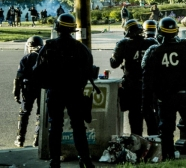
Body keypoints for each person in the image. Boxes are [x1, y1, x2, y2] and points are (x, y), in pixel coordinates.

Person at [32, 13, 95, 168]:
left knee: (55, 127)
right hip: (74, 92)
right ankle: (85, 159)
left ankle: (55, 161)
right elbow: (90, 70)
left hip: (55, 91)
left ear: (58, 28)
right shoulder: (81, 48)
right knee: (78, 126)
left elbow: (37, 70)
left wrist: (47, 84)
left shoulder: (49, 46)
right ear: (73, 29)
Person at [141, 17, 186, 159]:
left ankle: (169, 155)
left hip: (165, 97)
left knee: (166, 129)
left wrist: (146, 102)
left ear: (160, 32)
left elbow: (147, 81)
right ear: (176, 31)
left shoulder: (154, 51)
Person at [110, 19, 159, 137]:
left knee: (135, 118)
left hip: (132, 86)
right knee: (151, 116)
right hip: (149, 85)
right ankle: (155, 144)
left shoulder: (123, 44)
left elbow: (114, 63)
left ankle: (137, 144)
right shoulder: (151, 42)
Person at [13, 36, 44, 147]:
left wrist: (16, 92)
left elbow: (18, 77)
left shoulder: (26, 58)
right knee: (40, 114)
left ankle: (20, 139)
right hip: (42, 88)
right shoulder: (44, 58)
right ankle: (37, 139)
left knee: (24, 113)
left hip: (28, 88)